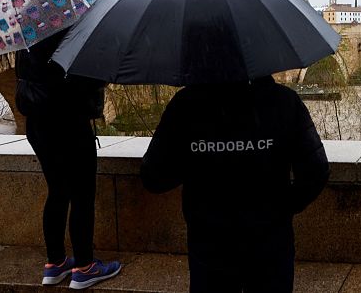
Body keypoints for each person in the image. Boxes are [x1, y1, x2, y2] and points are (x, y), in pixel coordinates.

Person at [141, 75, 329, 293]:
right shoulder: (284, 101)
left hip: (210, 243)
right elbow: (316, 170)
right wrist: (283, 207)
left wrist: (198, 160)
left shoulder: (186, 105)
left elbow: (153, 177)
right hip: (270, 242)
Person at [15, 29, 122, 290]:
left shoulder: (28, 31)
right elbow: (87, 77)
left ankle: (55, 263)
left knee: (57, 191)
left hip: (38, 124)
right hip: (69, 121)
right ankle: (85, 267)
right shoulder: (72, 29)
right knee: (82, 194)